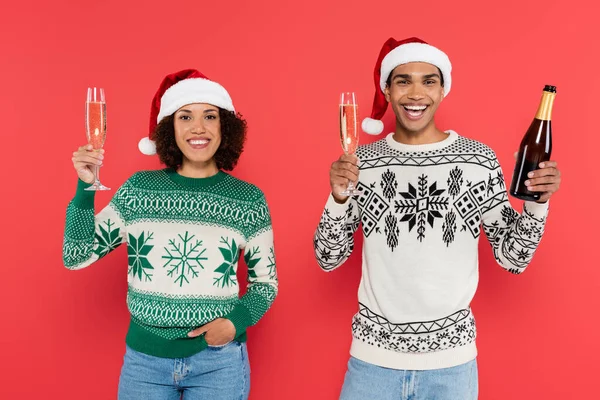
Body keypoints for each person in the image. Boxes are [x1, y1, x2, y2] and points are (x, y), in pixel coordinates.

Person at [313, 37, 561, 400]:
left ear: (444, 89)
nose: (416, 93)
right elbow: (327, 258)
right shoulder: (361, 163)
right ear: (386, 88)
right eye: (403, 80)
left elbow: (513, 257)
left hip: (452, 368)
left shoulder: (478, 161)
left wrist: (539, 203)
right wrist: (337, 198)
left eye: (429, 81)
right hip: (372, 363)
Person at [63, 69, 278, 399]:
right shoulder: (139, 191)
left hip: (219, 364)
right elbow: (76, 255)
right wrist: (86, 186)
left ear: (225, 126)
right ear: (169, 128)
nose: (198, 127)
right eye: (185, 116)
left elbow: (266, 283)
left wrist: (235, 323)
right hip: (145, 365)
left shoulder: (248, 201)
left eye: (210, 116)